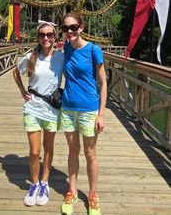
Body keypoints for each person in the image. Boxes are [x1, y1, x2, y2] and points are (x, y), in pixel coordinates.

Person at [13, 20, 64, 207]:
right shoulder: (30, 56)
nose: (46, 38)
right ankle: (34, 184)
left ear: (55, 37)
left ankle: (45, 182)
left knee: (48, 148)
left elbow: (76, 72)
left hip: (52, 109)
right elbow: (16, 72)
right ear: (38, 37)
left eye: (50, 34)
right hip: (32, 107)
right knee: (35, 151)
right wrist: (21, 91)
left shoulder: (61, 57)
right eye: (42, 35)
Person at [60, 12, 107, 215]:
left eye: (73, 27)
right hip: (68, 108)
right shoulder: (65, 48)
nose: (69, 31)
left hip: (89, 109)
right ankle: (72, 191)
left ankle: (93, 194)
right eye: (65, 28)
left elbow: (103, 82)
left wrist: (101, 114)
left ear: (81, 28)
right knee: (72, 151)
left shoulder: (93, 50)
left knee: (90, 153)